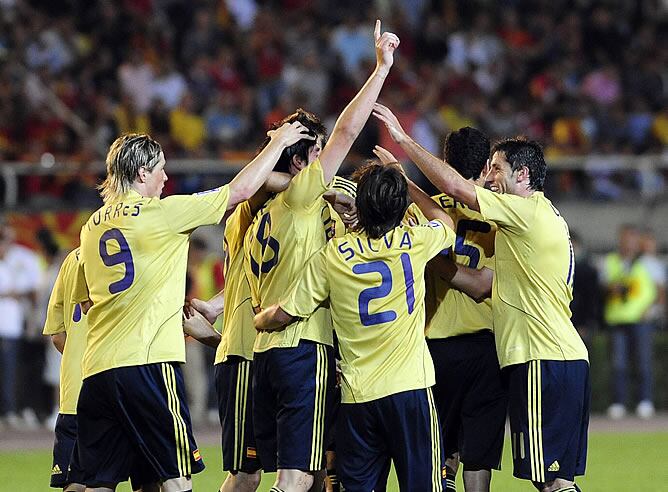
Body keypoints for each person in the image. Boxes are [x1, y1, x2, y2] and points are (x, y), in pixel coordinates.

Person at [72, 122, 312, 492]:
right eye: (160, 169)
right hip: (148, 362)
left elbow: (88, 299)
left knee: (98, 482)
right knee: (176, 478)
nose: (166, 177)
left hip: (97, 368)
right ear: (141, 174)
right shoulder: (162, 213)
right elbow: (241, 190)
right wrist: (278, 142)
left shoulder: (90, 228)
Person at [374, 103, 589, 492]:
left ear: (522, 175)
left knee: (544, 481)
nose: (490, 177)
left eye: (498, 169)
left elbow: (456, 190)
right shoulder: (537, 216)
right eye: (487, 167)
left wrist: (404, 142)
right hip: (551, 356)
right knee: (552, 480)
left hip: (539, 358)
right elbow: (478, 267)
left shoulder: (522, 214)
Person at [242, 20, 399, 492]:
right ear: (303, 159)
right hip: (301, 346)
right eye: (315, 153)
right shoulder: (304, 194)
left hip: (265, 352)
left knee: (290, 473)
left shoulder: (261, 214)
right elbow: (350, 130)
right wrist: (380, 69)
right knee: (297, 477)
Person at [254, 162, 456, 492]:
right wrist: (407, 183)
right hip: (410, 391)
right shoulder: (414, 242)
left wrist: (259, 318)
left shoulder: (332, 255)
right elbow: (444, 221)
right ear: (400, 206)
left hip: (357, 397)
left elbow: (284, 314)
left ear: (359, 205)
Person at [379, 127, 506, 492]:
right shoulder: (503, 215)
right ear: (486, 166)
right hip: (488, 347)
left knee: (438, 455)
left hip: (434, 347)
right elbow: (486, 286)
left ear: (444, 163)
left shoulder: (421, 212)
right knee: (478, 459)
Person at [43, 248, 88, 492]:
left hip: (77, 389)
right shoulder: (137, 246)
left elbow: (57, 336)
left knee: (77, 481)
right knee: (149, 478)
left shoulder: (72, 259)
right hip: (127, 381)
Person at [602, 224, 658, 420]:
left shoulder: (646, 263)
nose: (628, 243)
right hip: (618, 319)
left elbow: (658, 291)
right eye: (625, 238)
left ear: (637, 241)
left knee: (643, 362)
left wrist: (651, 310)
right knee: (619, 364)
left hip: (640, 320)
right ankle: (619, 402)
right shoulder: (611, 261)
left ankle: (645, 401)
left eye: (632, 239)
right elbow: (604, 286)